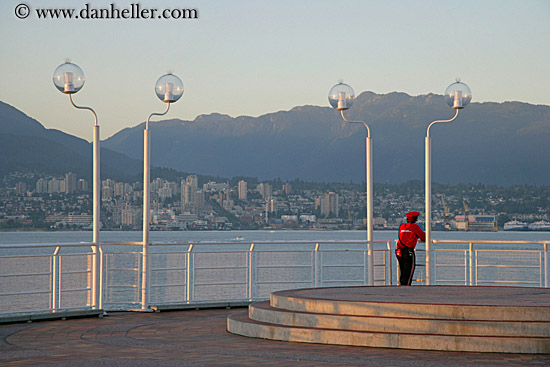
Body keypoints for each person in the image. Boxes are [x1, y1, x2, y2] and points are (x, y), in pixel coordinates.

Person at [396, 211, 426, 286]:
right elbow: (424, 237)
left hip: (399, 251)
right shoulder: (415, 227)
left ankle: (402, 285)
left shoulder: (401, 226)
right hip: (408, 251)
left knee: (402, 270)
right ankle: (406, 287)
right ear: (415, 219)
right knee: (409, 271)